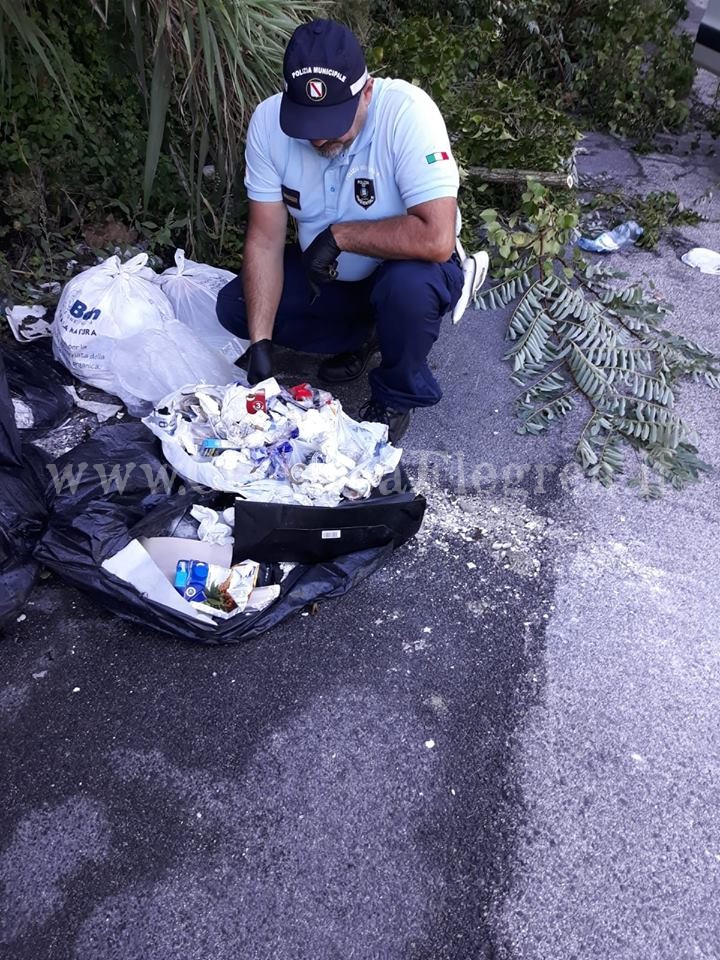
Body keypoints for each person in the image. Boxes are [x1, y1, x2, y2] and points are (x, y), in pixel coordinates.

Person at [216, 18, 486, 444]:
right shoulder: (268, 123)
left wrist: (341, 235)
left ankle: (395, 392)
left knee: (408, 292)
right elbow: (265, 240)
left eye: (333, 120)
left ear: (368, 92)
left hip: (406, 268)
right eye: (308, 123)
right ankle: (366, 335)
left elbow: (435, 237)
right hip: (331, 276)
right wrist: (262, 344)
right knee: (235, 307)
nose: (320, 139)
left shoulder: (409, 113)